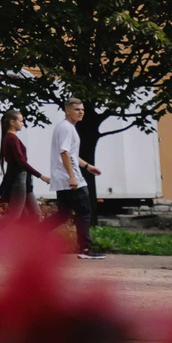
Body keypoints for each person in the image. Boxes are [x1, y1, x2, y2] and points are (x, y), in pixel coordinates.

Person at [48, 102, 100, 257]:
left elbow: (71, 154)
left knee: (62, 215)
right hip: (70, 179)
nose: (81, 112)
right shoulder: (66, 128)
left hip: (64, 177)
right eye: (77, 110)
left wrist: (87, 166)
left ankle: (31, 237)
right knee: (84, 212)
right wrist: (72, 176)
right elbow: (64, 152)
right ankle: (85, 249)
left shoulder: (67, 127)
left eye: (83, 109)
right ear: (67, 111)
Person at [0, 112, 37, 213]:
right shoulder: (11, 138)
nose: (22, 123)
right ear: (12, 122)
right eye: (21, 121)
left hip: (23, 178)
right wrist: (40, 175)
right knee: (15, 214)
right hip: (19, 178)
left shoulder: (11, 138)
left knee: (33, 214)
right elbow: (20, 160)